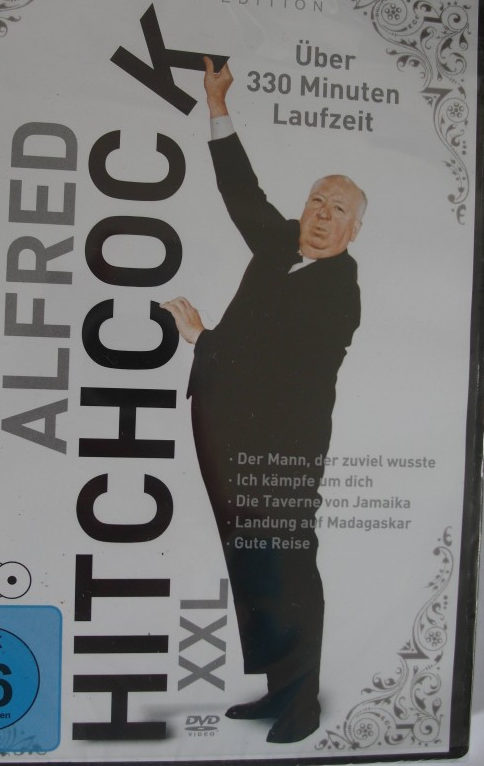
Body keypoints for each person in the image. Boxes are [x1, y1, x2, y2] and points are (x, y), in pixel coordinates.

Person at [162, 58, 365, 744]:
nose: (322, 217)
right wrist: (217, 104)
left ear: (353, 232)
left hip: (283, 449)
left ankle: (302, 702)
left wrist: (203, 339)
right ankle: (279, 685)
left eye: (338, 211)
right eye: (317, 202)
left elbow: (279, 367)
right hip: (224, 427)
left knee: (287, 564)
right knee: (249, 559)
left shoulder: (339, 293)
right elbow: (241, 190)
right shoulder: (281, 242)